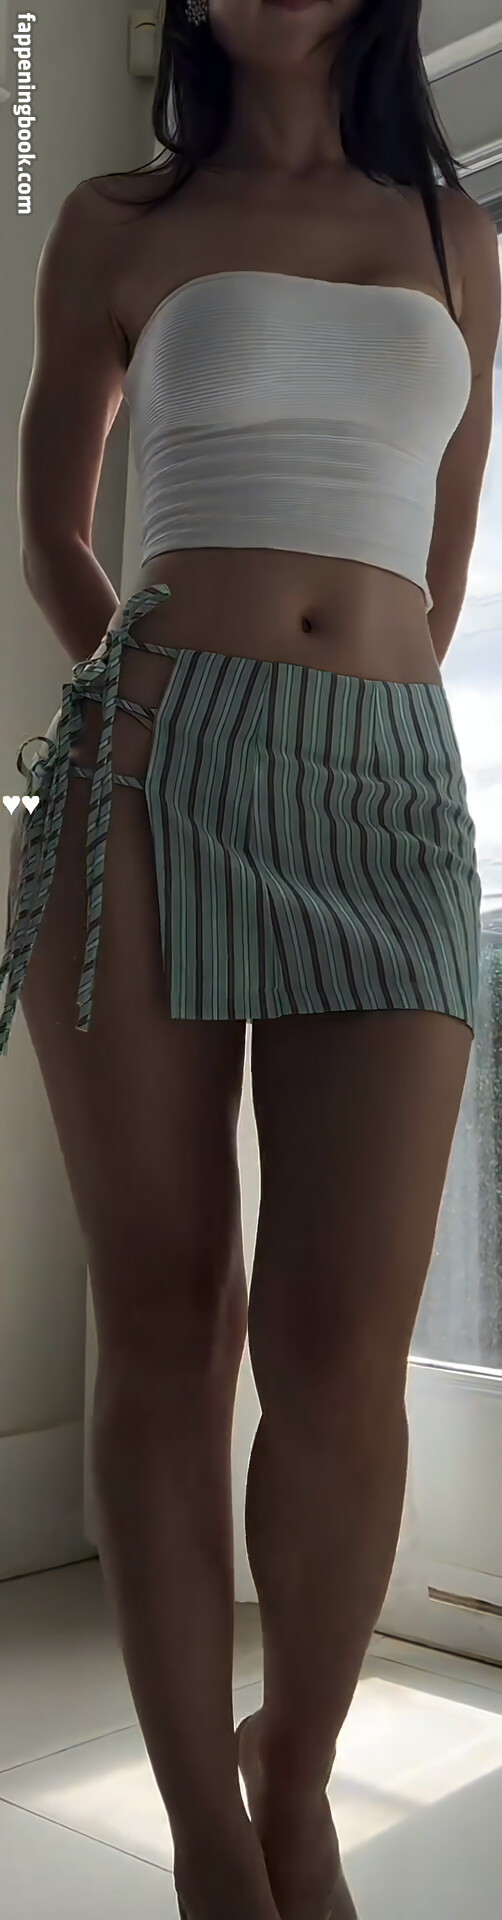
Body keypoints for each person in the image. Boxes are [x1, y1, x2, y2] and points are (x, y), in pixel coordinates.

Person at [1, 2, 500, 1917]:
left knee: (340, 1344)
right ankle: (208, 1845)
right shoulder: (114, 220)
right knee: (165, 1317)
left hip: (383, 781)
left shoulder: (456, 240)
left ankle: (292, 1776)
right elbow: (56, 526)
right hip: (146, 767)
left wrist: (337, 701)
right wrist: (140, 709)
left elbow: (439, 566)